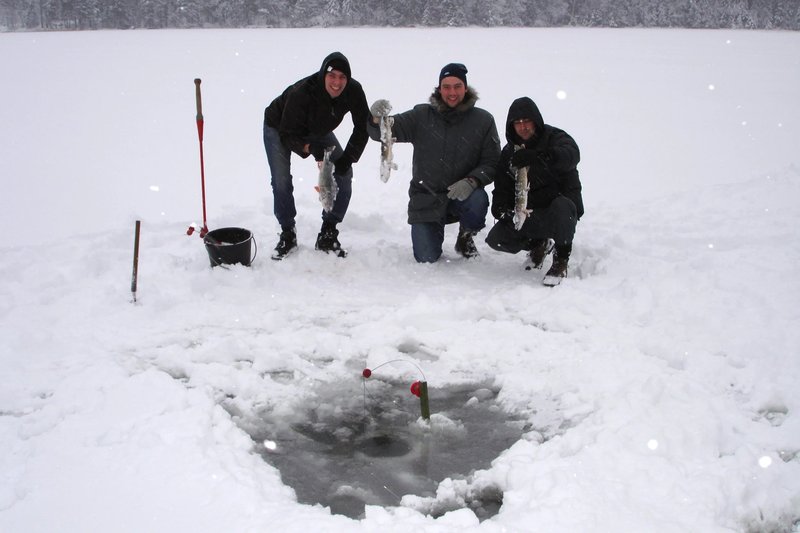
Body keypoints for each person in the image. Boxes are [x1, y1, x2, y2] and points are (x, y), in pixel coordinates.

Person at [367, 63, 500, 263]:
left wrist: (472, 181)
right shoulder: (421, 116)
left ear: (465, 88)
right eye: (446, 87)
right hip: (426, 198)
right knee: (426, 257)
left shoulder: (483, 120)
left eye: (457, 86)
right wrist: (376, 119)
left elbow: (492, 162)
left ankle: (465, 237)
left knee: (478, 199)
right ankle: (433, 228)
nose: (452, 92)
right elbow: (385, 132)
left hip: (461, 195)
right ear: (439, 89)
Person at [263, 51, 370, 259]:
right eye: (332, 76)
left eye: (342, 77)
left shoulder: (354, 91)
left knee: (344, 173)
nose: (337, 82)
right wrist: (309, 148)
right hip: (279, 127)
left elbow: (362, 127)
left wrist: (348, 158)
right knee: (281, 180)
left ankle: (328, 232)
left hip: (317, 128)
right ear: (323, 75)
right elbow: (287, 134)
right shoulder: (302, 93)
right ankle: (287, 232)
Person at [485, 96, 583, 283]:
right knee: (497, 239)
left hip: (558, 207)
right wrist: (501, 210)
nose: (523, 127)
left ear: (536, 121)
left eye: (527, 121)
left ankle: (561, 259)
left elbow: (571, 155)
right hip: (529, 212)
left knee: (563, 208)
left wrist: (540, 157)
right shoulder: (509, 153)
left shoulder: (556, 138)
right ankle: (539, 243)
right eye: (518, 123)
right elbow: (501, 190)